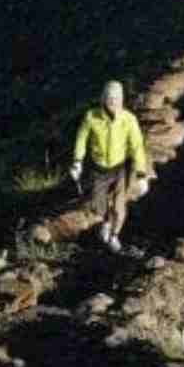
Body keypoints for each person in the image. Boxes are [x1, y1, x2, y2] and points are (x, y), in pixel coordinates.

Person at [69, 80, 150, 254]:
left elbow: (137, 146)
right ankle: (105, 222)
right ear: (103, 98)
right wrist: (77, 161)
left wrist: (142, 174)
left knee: (119, 208)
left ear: (122, 99)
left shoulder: (128, 119)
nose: (113, 101)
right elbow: (81, 139)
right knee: (99, 205)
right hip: (99, 169)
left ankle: (114, 235)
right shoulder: (91, 117)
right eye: (109, 97)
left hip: (120, 168)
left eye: (117, 98)